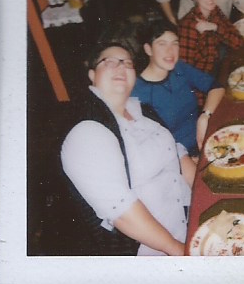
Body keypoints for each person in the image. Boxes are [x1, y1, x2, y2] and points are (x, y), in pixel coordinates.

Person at [61, 41, 193, 256]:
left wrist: (209, 195)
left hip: (188, 223)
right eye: (110, 62)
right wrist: (180, 251)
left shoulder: (143, 112)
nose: (121, 67)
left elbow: (178, 156)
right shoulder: (87, 131)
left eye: (127, 63)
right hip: (155, 251)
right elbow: (121, 212)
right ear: (92, 75)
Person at [133, 19, 225, 156]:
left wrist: (205, 116)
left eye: (175, 43)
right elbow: (153, 148)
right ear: (148, 49)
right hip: (181, 156)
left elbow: (216, 87)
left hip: (206, 138)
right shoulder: (138, 93)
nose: (170, 51)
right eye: (162, 44)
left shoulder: (179, 68)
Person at [178, 0, 243, 77]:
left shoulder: (215, 11)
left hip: (217, 67)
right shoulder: (189, 25)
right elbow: (185, 72)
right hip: (202, 79)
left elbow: (238, 42)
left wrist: (215, 27)